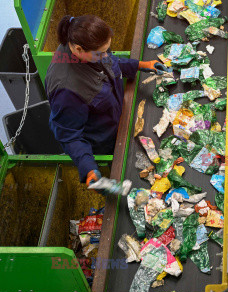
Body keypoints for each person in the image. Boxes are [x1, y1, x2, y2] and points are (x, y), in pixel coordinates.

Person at [46, 15, 167, 187]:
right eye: (101, 52)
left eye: (107, 49)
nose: (105, 55)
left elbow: (111, 63)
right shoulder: (67, 90)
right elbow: (69, 136)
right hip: (102, 139)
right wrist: (88, 168)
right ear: (79, 50)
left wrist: (142, 65)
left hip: (117, 118)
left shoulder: (90, 46)